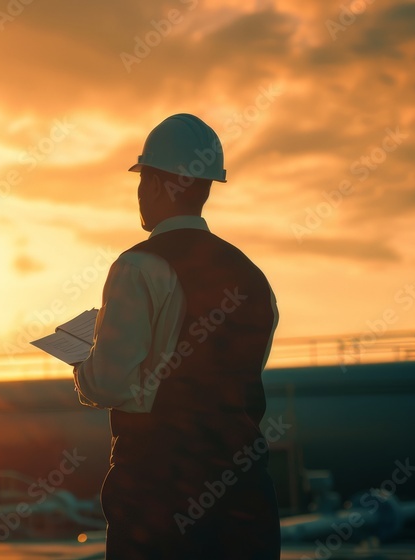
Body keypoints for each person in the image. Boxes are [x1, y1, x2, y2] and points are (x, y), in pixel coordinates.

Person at [72, 113, 281, 559]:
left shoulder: (137, 267)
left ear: (152, 184)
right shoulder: (254, 278)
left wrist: (81, 364)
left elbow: (109, 383)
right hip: (245, 496)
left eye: (143, 181)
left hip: (158, 495)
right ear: (206, 186)